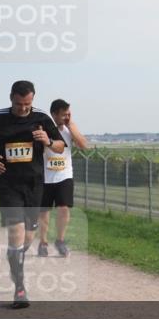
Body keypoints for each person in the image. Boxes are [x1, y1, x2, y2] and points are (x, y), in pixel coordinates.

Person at [0, 80, 66, 308]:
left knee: (27, 238)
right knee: (15, 233)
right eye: (19, 104)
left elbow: (60, 146)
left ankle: (16, 257)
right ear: (11, 98)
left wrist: (47, 140)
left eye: (28, 104)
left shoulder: (41, 118)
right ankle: (19, 289)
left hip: (34, 185)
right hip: (8, 184)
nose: (24, 108)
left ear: (33, 99)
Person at [37, 99, 90, 257]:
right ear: (53, 114)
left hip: (64, 175)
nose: (66, 117)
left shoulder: (69, 128)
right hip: (45, 176)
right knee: (44, 211)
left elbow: (83, 145)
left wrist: (70, 125)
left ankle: (60, 240)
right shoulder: (44, 128)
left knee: (63, 208)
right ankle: (43, 242)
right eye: (63, 115)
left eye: (68, 114)